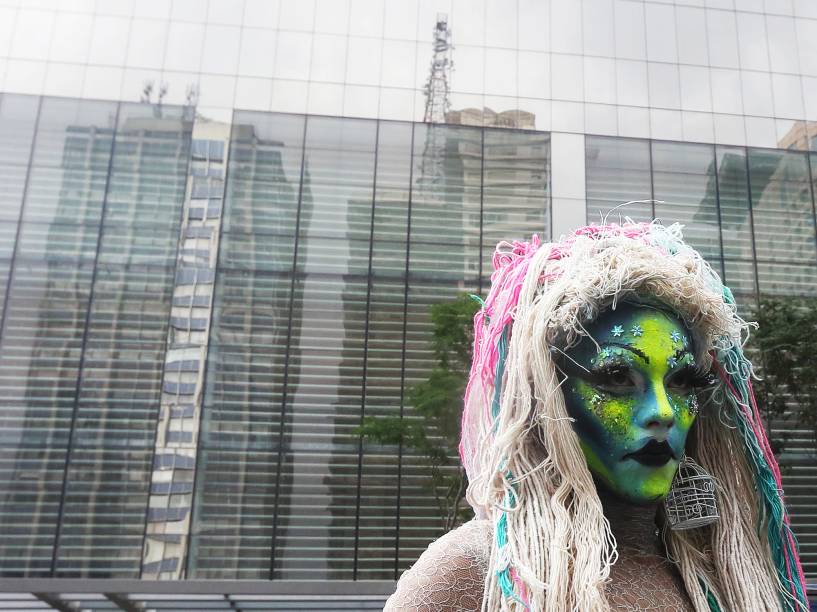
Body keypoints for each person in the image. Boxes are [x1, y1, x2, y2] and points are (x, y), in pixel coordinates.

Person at [384, 222, 808, 611]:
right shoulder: (477, 572)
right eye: (617, 377)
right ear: (548, 398)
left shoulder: (728, 573)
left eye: (681, 382)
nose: (662, 411)